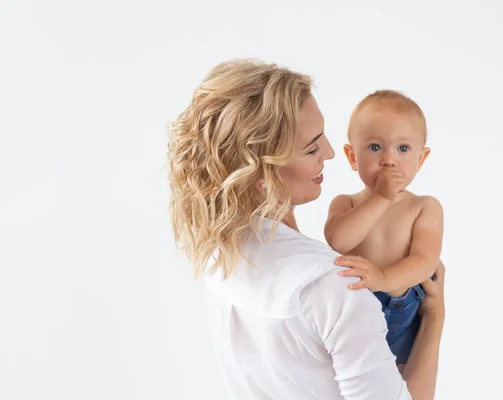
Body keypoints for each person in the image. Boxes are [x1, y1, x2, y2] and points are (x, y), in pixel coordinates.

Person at [168, 59, 445, 400]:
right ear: (260, 174)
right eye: (313, 147)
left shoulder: (219, 253)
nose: (329, 153)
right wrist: (433, 318)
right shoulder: (336, 286)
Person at [325, 90, 443, 372]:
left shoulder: (424, 207)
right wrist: (380, 197)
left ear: (420, 159)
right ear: (352, 157)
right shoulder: (346, 203)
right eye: (375, 147)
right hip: (354, 305)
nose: (389, 159)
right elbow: (338, 241)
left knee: (402, 378)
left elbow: (425, 261)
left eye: (403, 149)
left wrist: (383, 277)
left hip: (402, 308)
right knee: (346, 377)